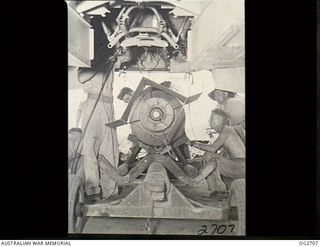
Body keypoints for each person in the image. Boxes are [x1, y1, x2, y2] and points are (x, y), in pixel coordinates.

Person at [77, 62, 120, 200]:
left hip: (108, 107)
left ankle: (110, 191)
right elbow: (82, 78)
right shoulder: (87, 60)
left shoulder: (111, 58)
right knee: (90, 150)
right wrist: (104, 63)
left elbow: (126, 58)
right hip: (92, 106)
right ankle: (92, 191)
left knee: (110, 151)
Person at [190, 109, 245, 193]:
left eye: (211, 119)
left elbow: (213, 148)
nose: (209, 121)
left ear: (217, 120)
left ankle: (217, 189)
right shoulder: (228, 131)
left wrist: (192, 144)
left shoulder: (227, 130)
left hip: (240, 167)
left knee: (210, 155)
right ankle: (216, 188)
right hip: (240, 166)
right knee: (211, 157)